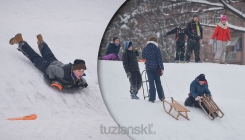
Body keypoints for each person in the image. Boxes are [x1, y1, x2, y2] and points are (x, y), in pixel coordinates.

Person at [9, 33, 88, 89]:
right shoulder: (62, 73)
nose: (81, 73)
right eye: (79, 71)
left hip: (57, 63)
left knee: (48, 54)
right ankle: (20, 41)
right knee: (35, 58)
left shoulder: (77, 73)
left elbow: (77, 77)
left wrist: (80, 82)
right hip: (48, 66)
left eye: (82, 71)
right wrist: (53, 80)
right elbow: (51, 68)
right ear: (73, 69)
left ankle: (41, 41)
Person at [142, 36, 165, 103]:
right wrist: (162, 68)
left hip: (149, 67)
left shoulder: (145, 48)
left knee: (151, 83)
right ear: (155, 41)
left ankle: (152, 98)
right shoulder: (157, 48)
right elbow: (159, 59)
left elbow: (143, 56)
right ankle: (162, 97)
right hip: (156, 67)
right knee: (158, 82)